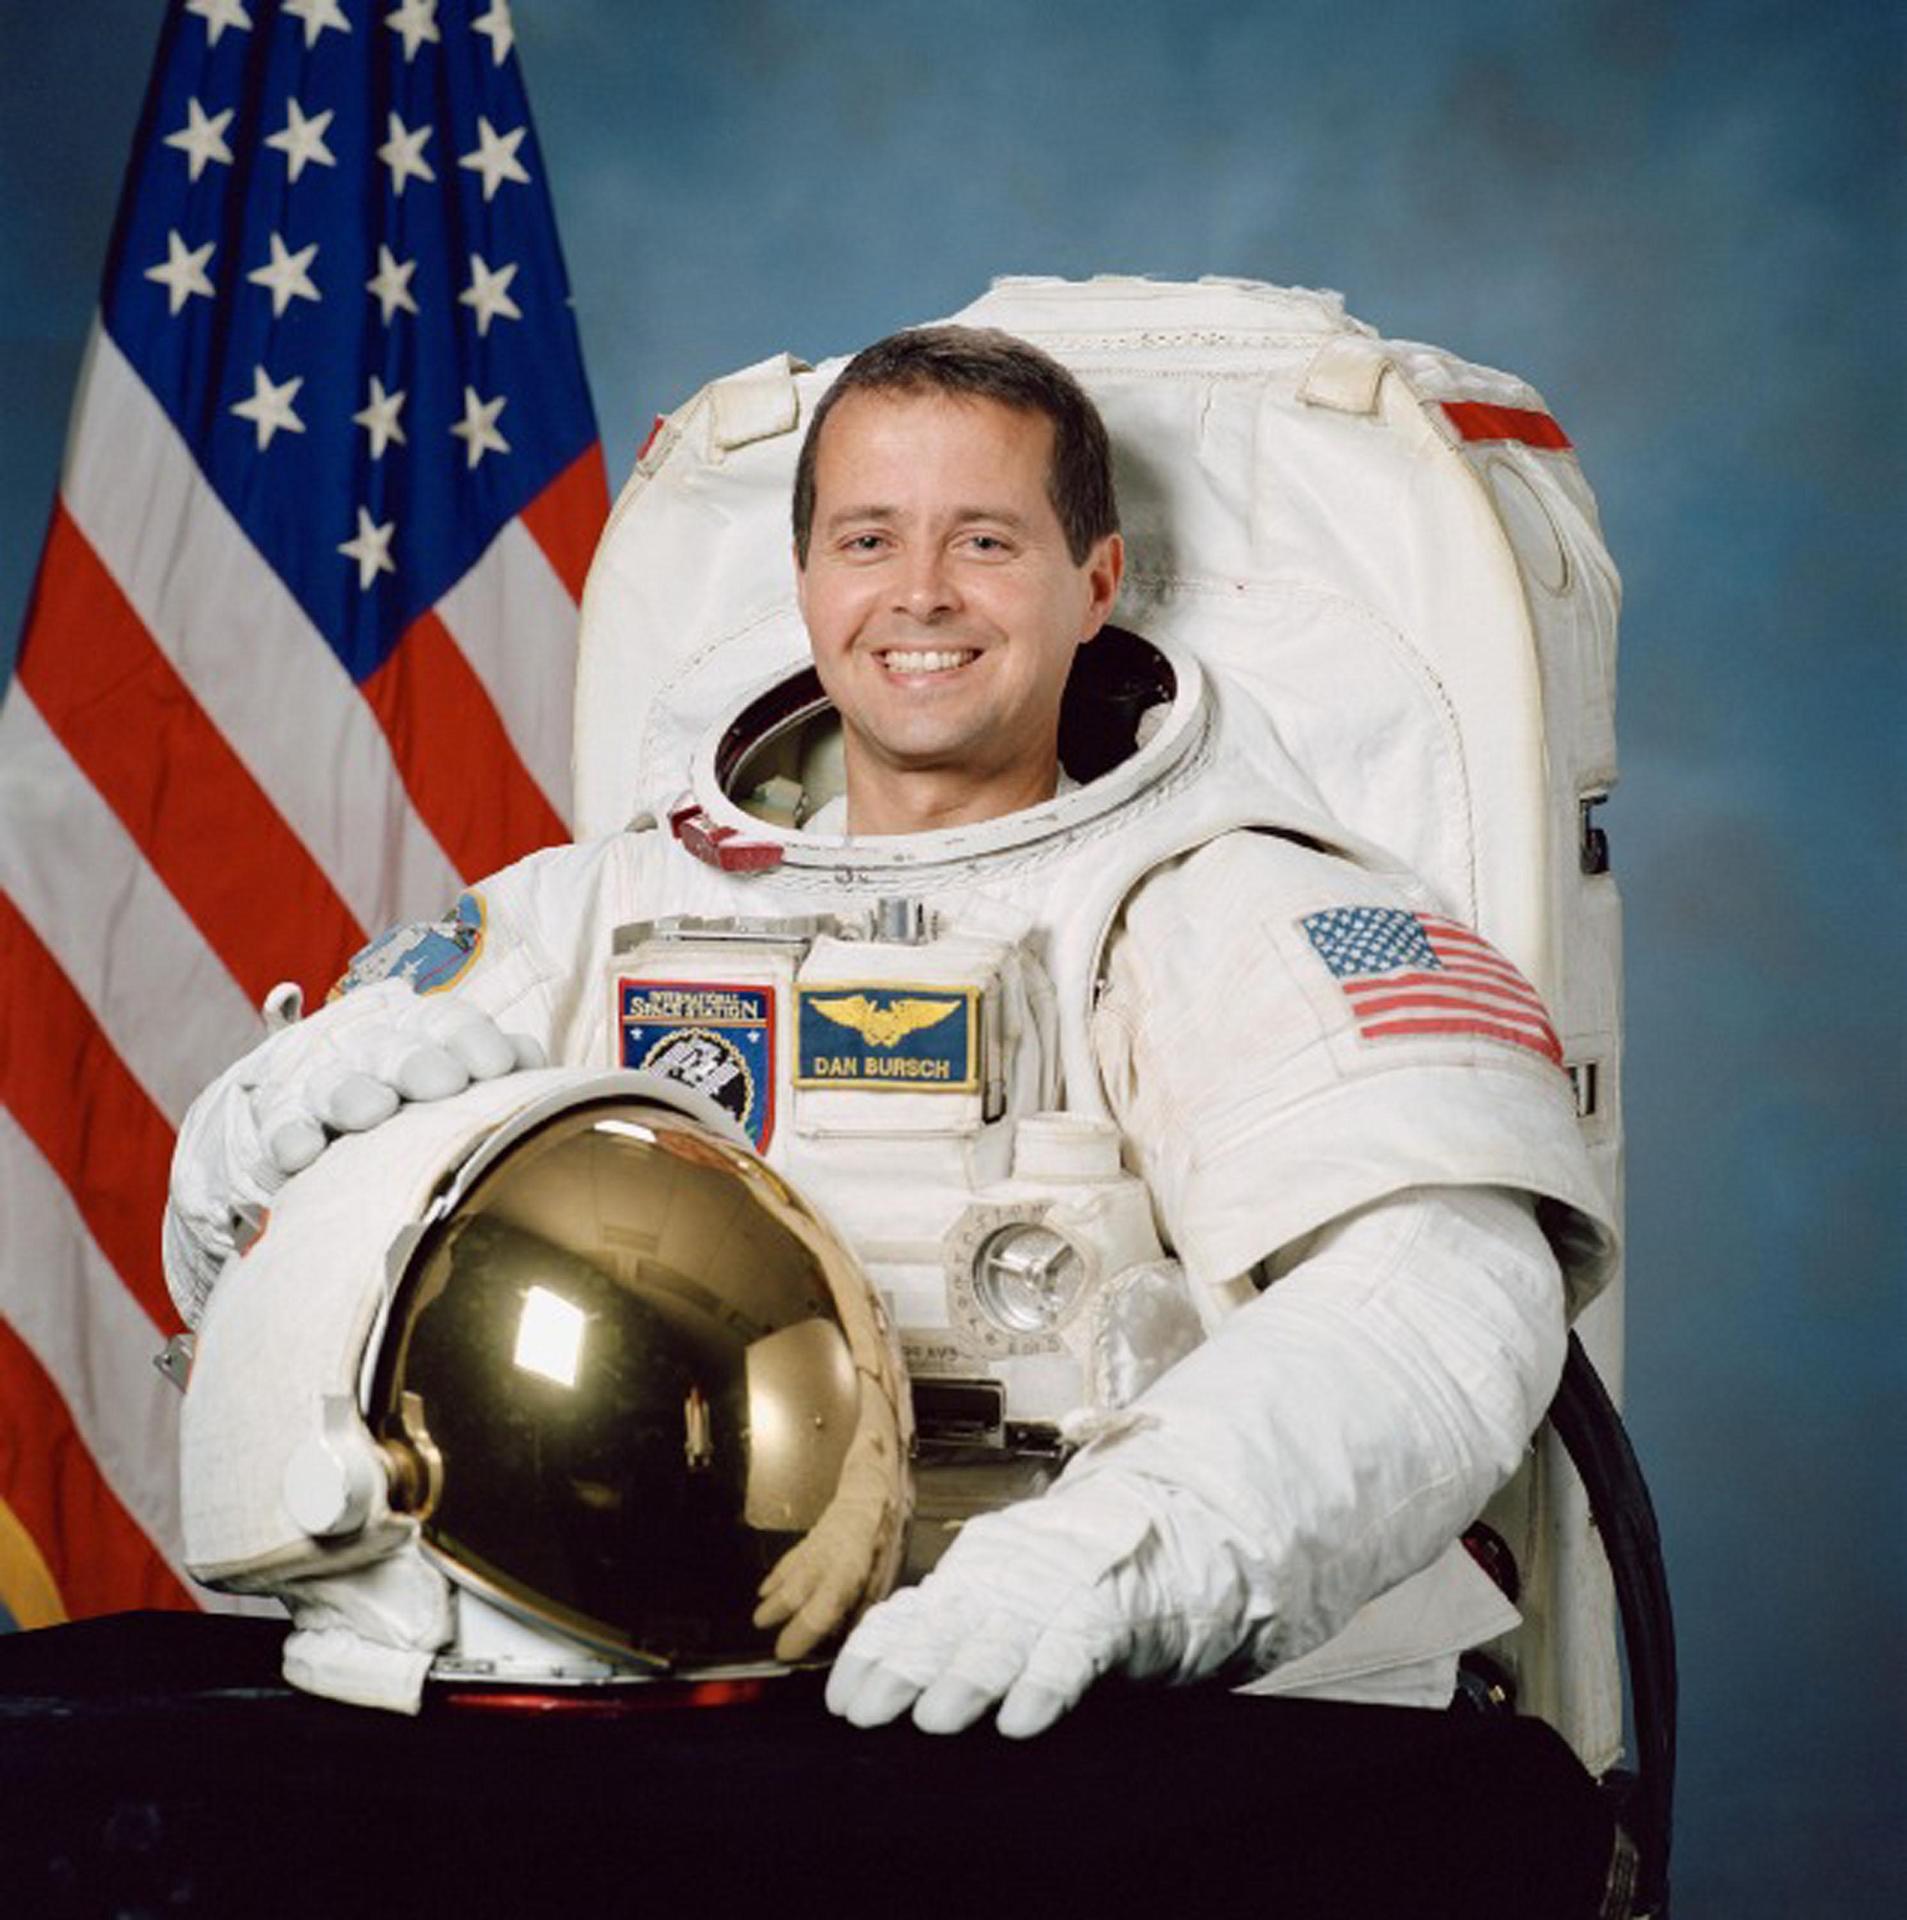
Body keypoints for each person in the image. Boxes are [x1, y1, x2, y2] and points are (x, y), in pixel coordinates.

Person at [166, 325, 1614, 1741]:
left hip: (1139, 1725)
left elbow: (1443, 1291)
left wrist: (1139, 1550)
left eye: (985, 541)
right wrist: (252, 1147)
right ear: (804, 581)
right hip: (669, 1681)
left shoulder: (1227, 903)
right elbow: (251, 1276)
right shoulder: (600, 910)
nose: (920, 594)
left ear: (1094, 583)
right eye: (868, 541)